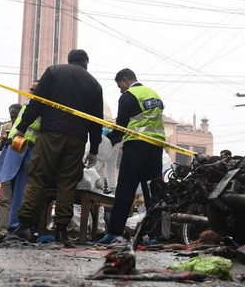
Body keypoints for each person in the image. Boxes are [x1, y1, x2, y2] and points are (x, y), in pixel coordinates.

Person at [12, 49, 103, 244]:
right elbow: (97, 121)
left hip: (51, 134)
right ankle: (61, 229)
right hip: (77, 139)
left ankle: (26, 225)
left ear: (69, 60)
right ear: (86, 62)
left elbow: (37, 102)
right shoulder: (94, 84)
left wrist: (21, 127)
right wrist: (94, 149)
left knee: (38, 176)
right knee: (67, 183)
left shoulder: (54, 71)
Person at [97, 68, 165, 246]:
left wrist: (108, 139)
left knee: (125, 189)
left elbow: (121, 126)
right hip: (156, 147)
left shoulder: (128, 95)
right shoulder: (154, 94)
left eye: (120, 86)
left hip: (136, 147)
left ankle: (114, 233)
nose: (120, 89)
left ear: (126, 80)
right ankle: (154, 236)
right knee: (153, 191)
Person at [0, 83, 39, 237]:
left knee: (21, 189)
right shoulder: (28, 105)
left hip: (26, 148)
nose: (30, 91)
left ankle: (16, 226)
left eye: (34, 89)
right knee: (7, 189)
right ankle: (7, 228)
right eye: (30, 88)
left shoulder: (41, 106)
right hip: (14, 148)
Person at [0, 102, 22, 235]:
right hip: (6, 164)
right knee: (5, 199)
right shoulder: (6, 126)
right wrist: (4, 140)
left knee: (19, 197)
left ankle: (17, 227)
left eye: (16, 116)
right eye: (11, 116)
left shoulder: (26, 126)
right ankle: (4, 229)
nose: (13, 119)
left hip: (21, 165)